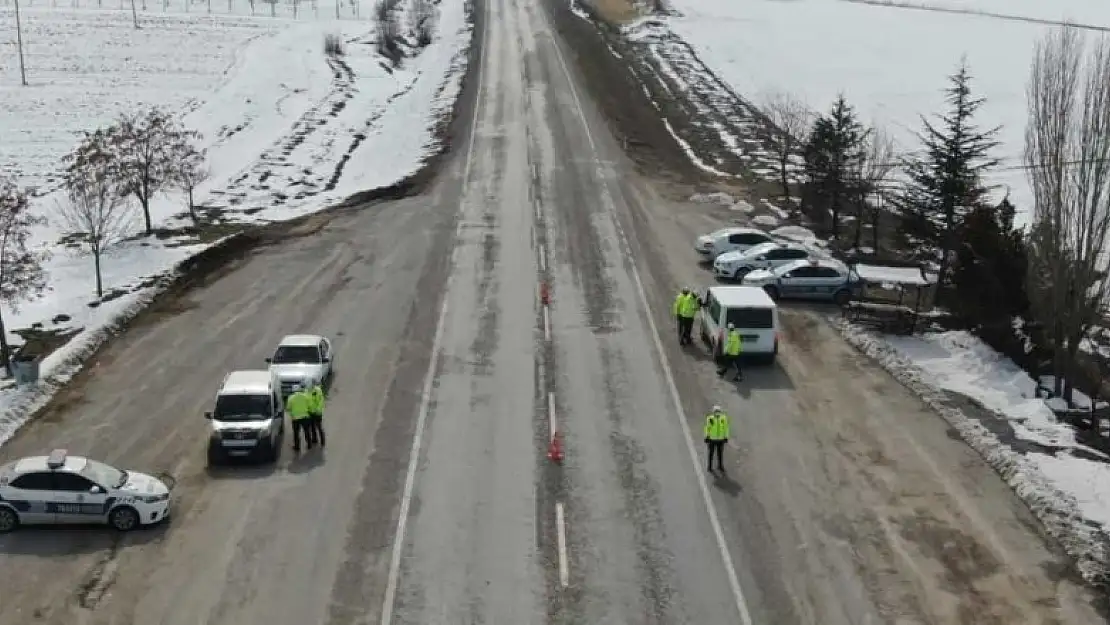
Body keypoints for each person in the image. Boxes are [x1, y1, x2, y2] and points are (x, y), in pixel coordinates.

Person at [285, 384, 314, 452]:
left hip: (295, 418)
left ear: (293, 390)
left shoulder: (291, 398)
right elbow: (310, 406)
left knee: (296, 433)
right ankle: (309, 444)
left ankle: (297, 446)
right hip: (305, 417)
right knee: (307, 431)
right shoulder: (305, 396)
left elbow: (288, 408)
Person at [704, 405, 730, 472]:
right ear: (713, 412)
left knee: (720, 454)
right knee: (711, 454)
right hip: (712, 439)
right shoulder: (710, 418)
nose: (717, 412)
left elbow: (726, 428)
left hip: (720, 440)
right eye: (716, 411)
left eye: (718, 411)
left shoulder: (723, 418)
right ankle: (709, 467)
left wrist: (726, 437)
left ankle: (720, 466)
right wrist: (707, 436)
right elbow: (707, 428)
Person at [308, 380, 326, 448]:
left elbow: (321, 401)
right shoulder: (307, 391)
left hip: (317, 412)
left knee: (319, 427)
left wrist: (318, 409)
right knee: (312, 427)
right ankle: (314, 439)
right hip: (310, 412)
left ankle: (322, 441)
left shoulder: (318, 390)